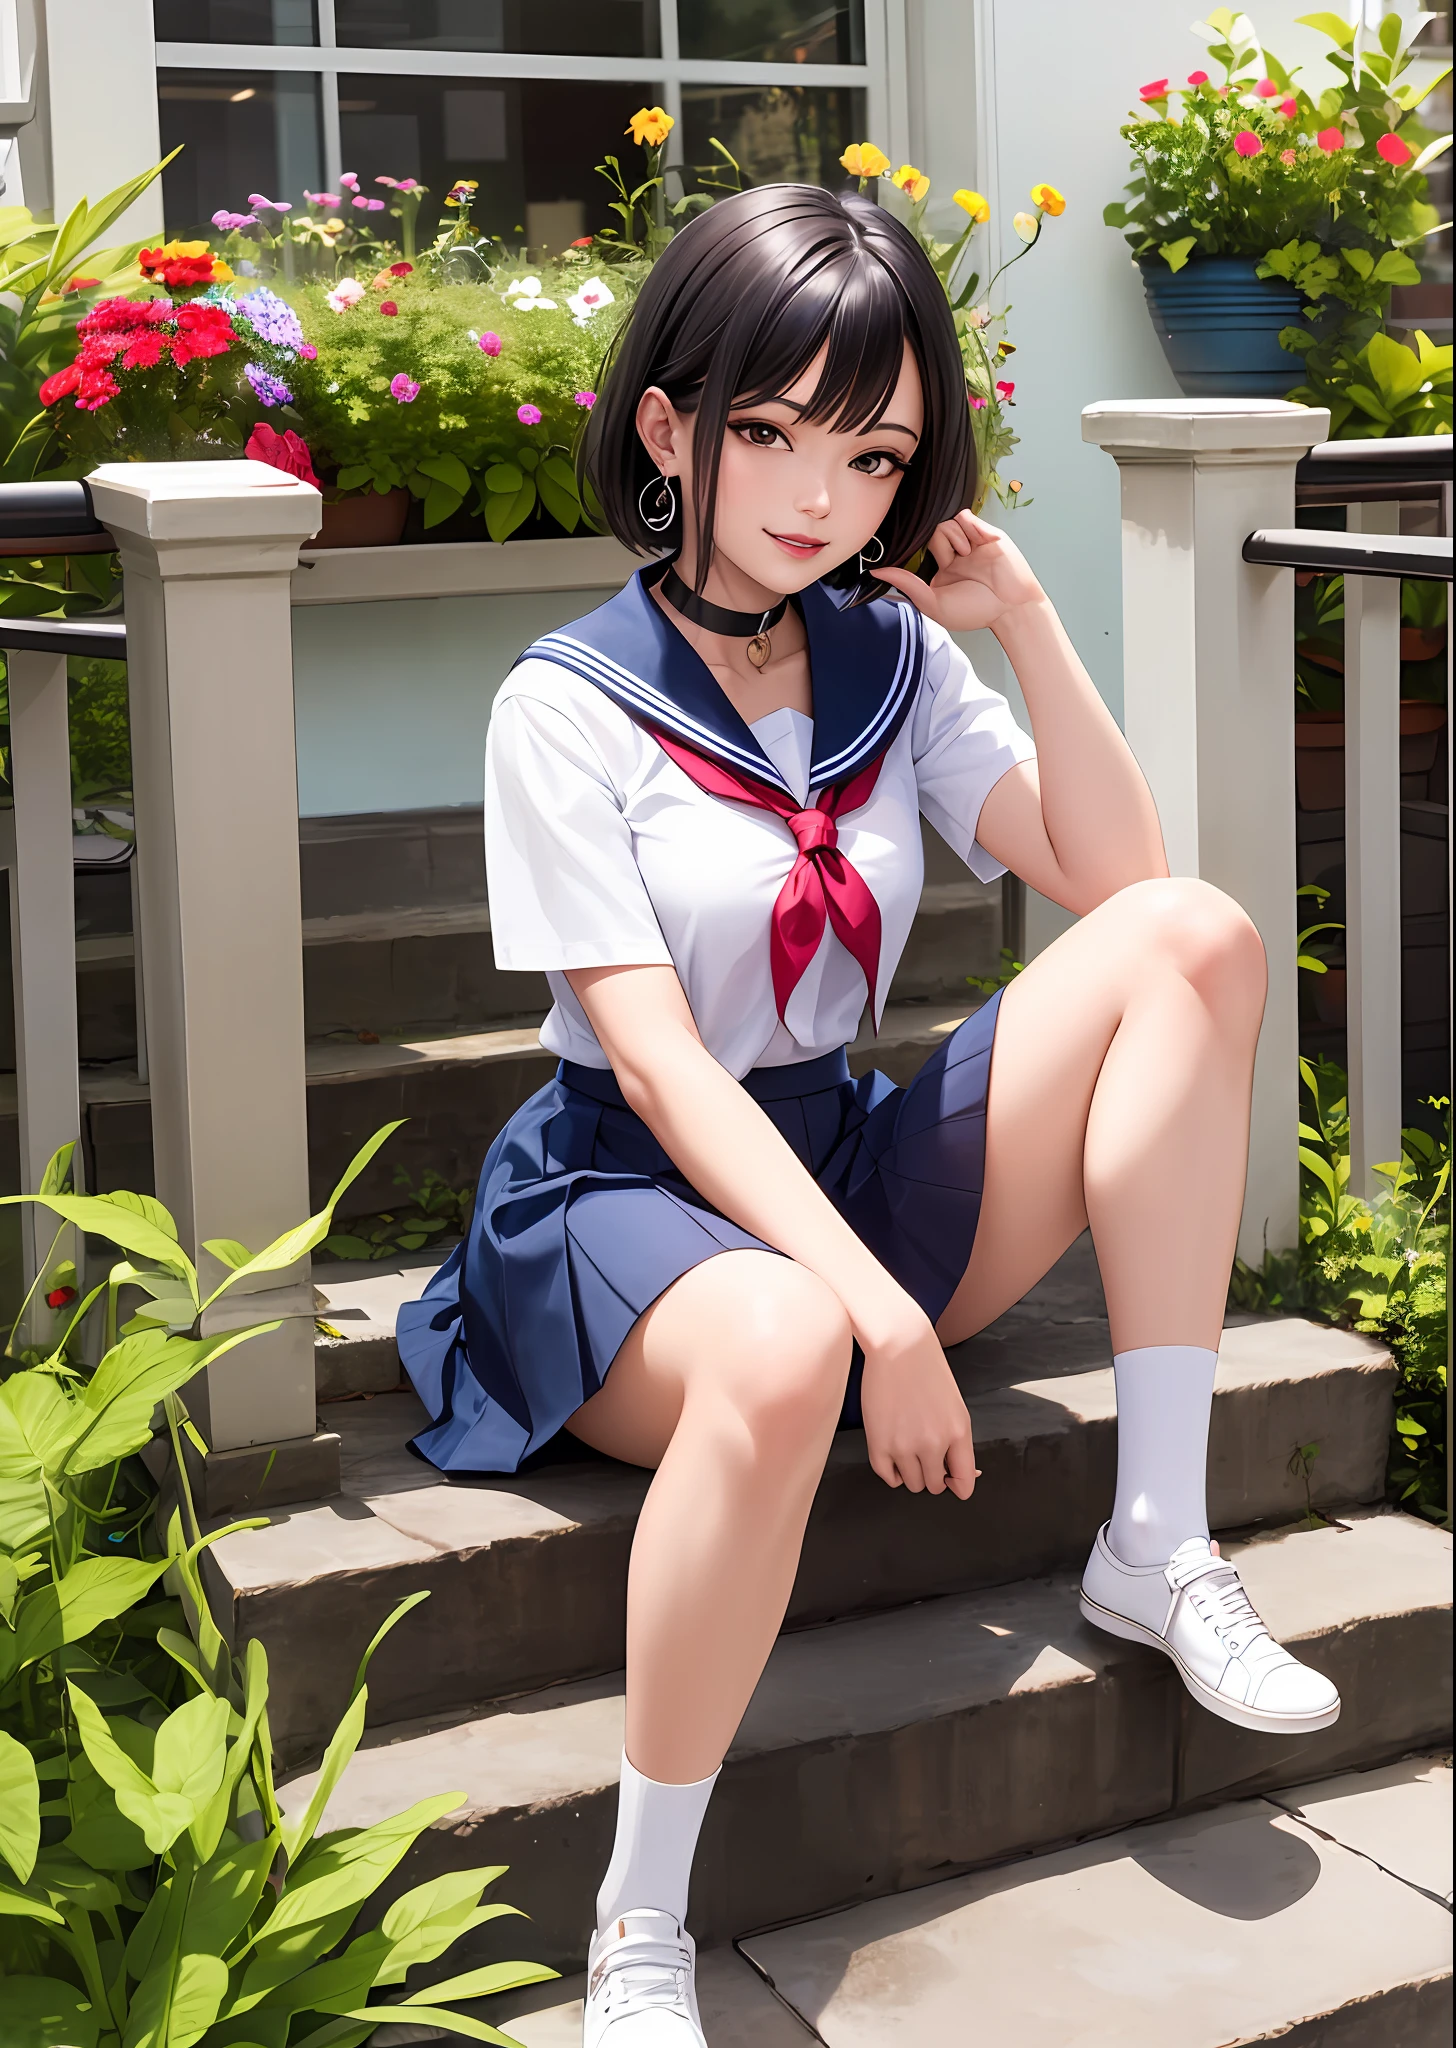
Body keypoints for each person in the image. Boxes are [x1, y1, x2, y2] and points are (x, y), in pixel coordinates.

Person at [398, 183, 1340, 2046]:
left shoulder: (896, 664)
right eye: (769, 432)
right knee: (781, 1337)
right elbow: (658, 1068)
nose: (818, 495)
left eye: (870, 448)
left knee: (1202, 934)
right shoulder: (564, 709)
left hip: (833, 1145)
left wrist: (1028, 618)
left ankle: (1159, 1535)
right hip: (623, 1195)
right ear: (670, 431)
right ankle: (640, 1924)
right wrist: (882, 1310)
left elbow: (1128, 887)